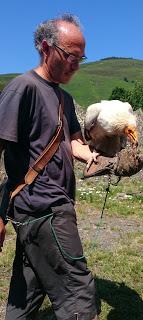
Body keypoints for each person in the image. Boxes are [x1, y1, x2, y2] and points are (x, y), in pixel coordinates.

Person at [0, 14, 98, 320]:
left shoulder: (64, 99)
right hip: (45, 209)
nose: (77, 65)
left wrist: (100, 158)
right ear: (46, 48)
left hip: (45, 211)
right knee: (78, 297)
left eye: (81, 58)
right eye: (71, 56)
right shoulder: (23, 88)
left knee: (25, 297)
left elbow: (72, 143)